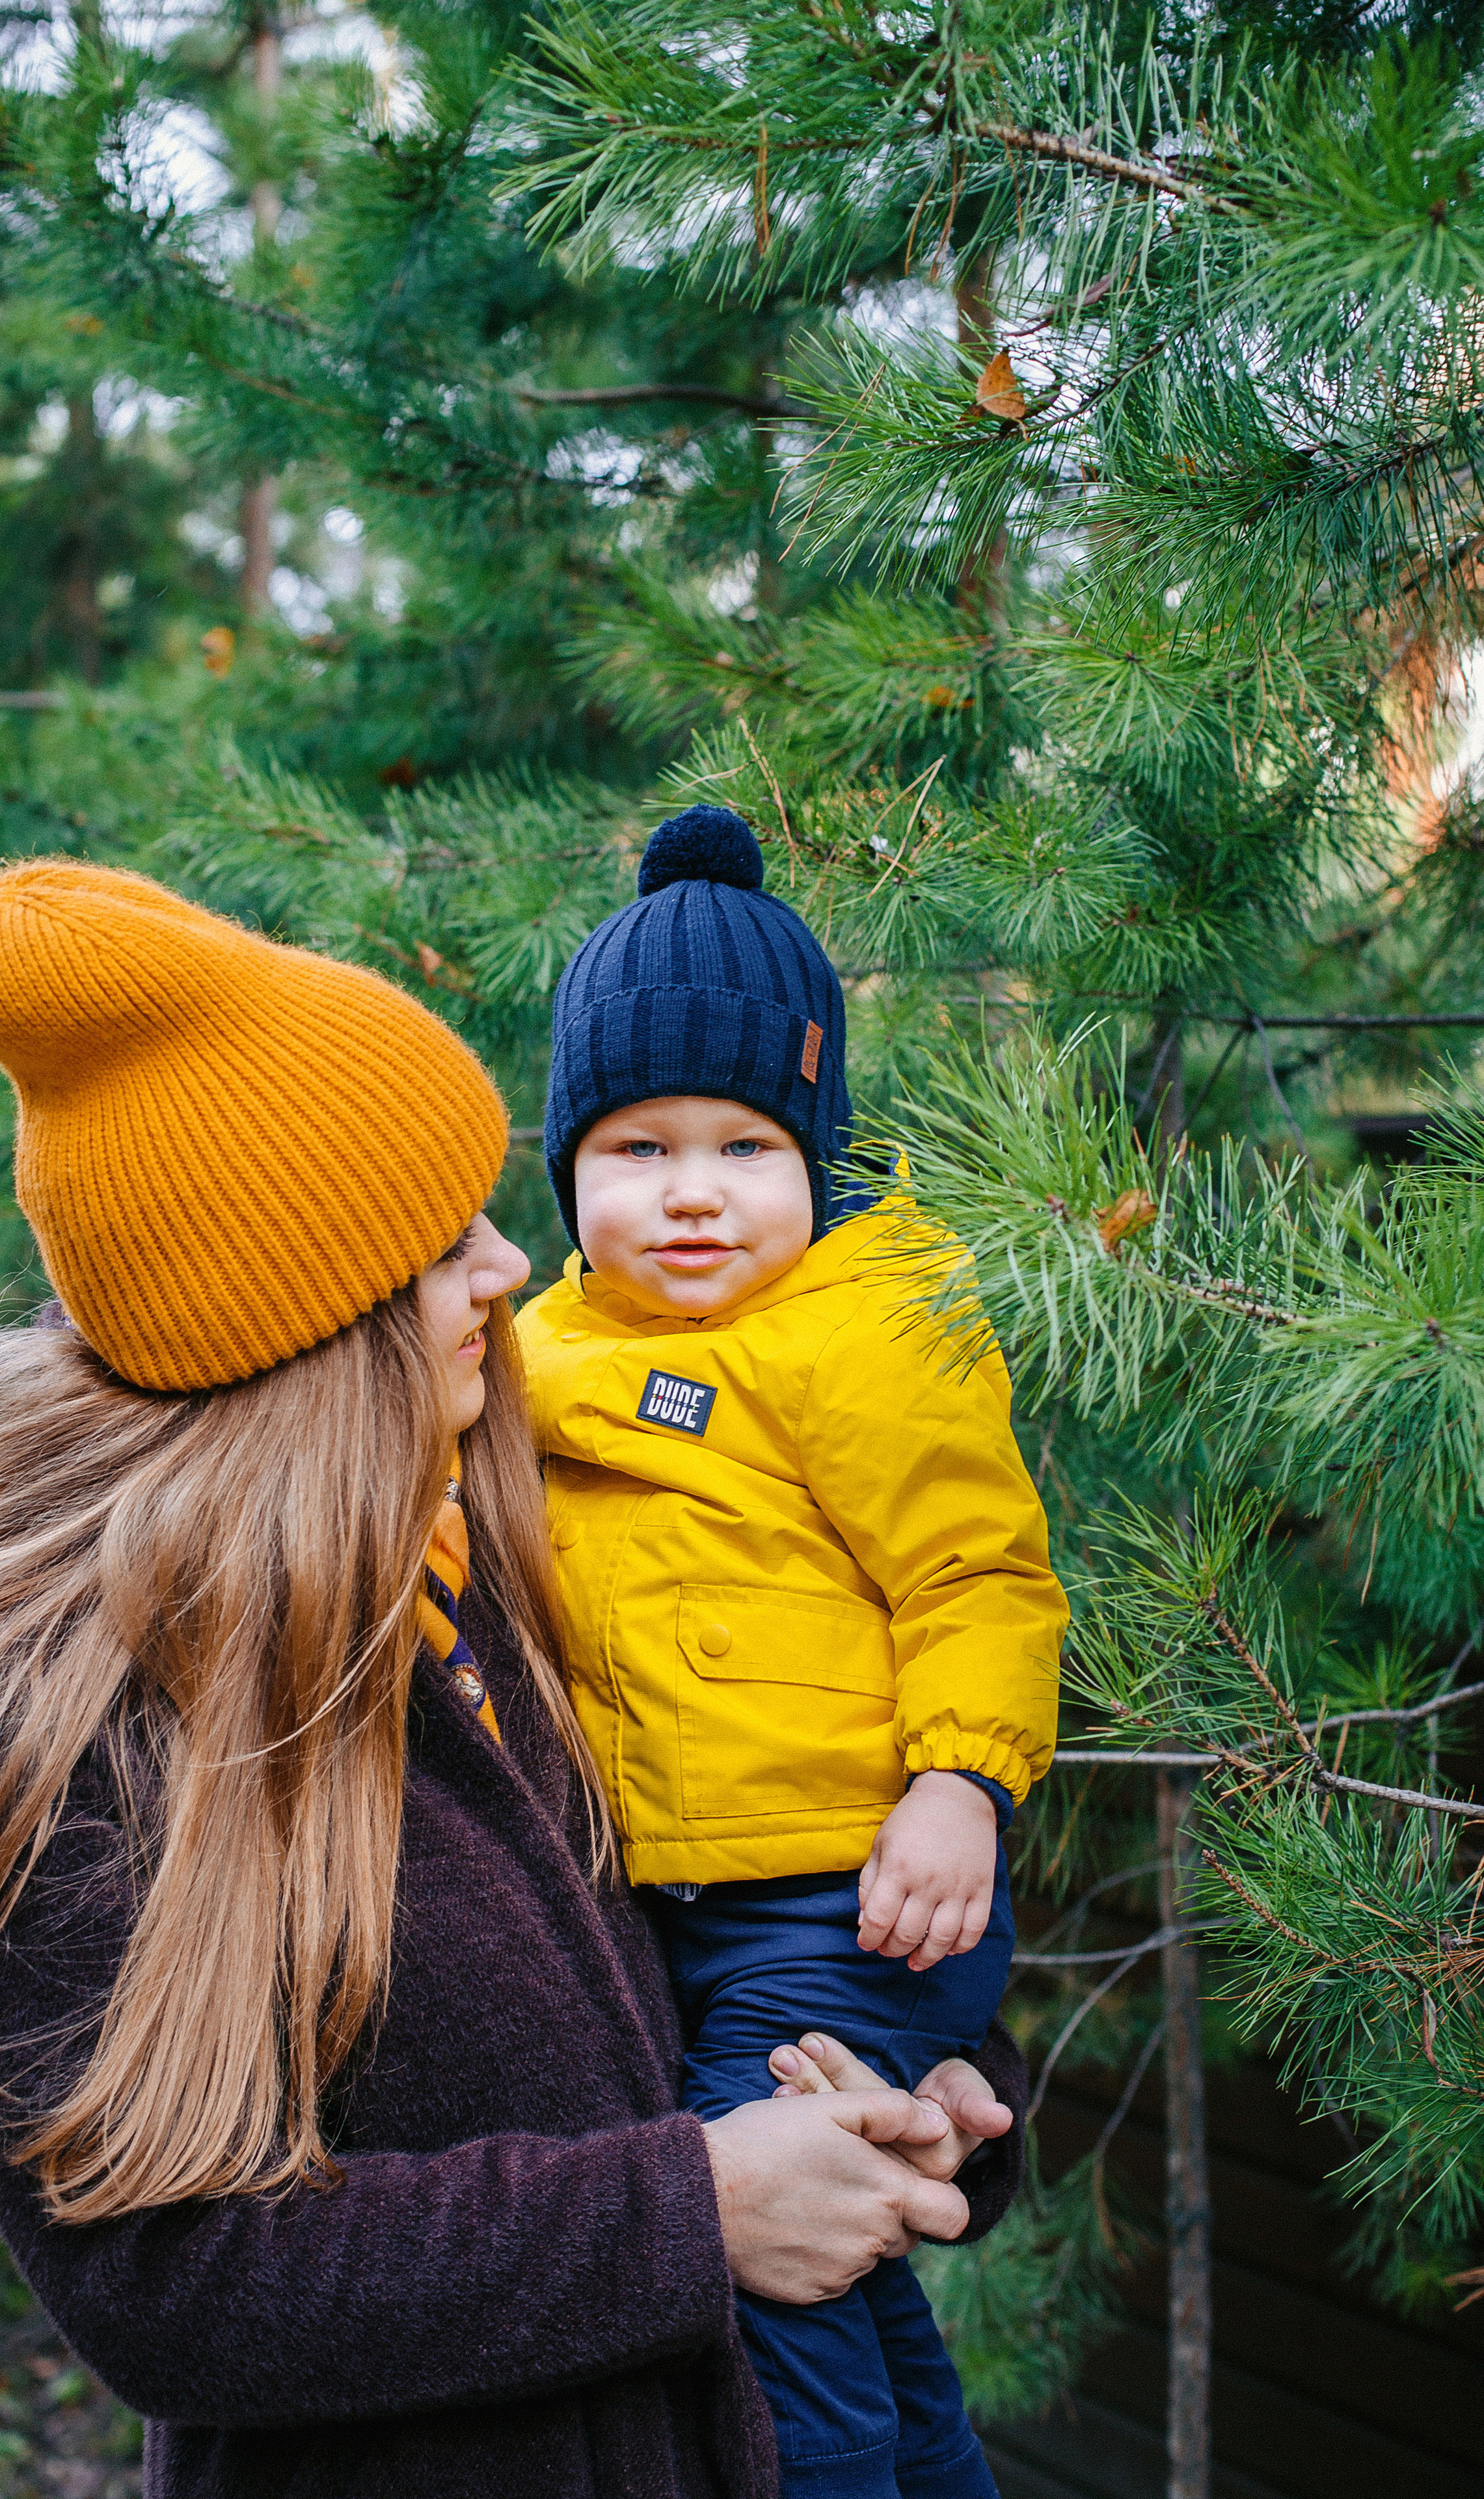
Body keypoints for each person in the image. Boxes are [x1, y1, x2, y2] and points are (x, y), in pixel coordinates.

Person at [0, 858, 1030, 2499]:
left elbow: (667, 1973)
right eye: (442, 1239)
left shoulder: (481, 1561)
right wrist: (696, 2209)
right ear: (305, 1311)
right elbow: (171, 2286)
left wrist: (891, 2094)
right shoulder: (54, 1713)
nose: (510, 1267)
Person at [517, 806, 1070, 2499]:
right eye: (637, 1150)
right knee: (858, 2256)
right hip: (680, 1895)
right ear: (568, 1169)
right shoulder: (530, 1350)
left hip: (853, 1894)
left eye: (745, 1147)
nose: (692, 1196)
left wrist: (959, 1785)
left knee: (766, 2245)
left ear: (814, 1155)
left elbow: (982, 1573)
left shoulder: (861, 1330)